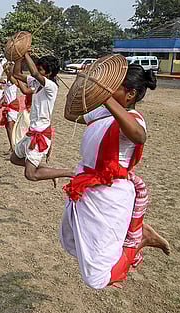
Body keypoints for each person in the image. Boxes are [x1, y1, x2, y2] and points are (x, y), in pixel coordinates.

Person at [60, 63, 170, 289]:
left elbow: (139, 137)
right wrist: (83, 83)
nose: (108, 92)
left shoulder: (134, 118)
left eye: (114, 88)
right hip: (86, 189)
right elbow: (70, 114)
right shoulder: (102, 112)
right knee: (69, 240)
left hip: (109, 196)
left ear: (130, 94)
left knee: (96, 279)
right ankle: (133, 239)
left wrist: (105, 96)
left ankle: (140, 239)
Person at [10, 52, 73, 186]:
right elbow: (17, 74)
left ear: (49, 73)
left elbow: (34, 73)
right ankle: (48, 171)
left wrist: (26, 53)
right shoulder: (36, 83)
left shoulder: (51, 86)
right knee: (14, 159)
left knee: (30, 175)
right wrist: (18, 58)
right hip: (32, 131)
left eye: (41, 69)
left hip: (41, 133)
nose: (37, 71)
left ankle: (67, 172)